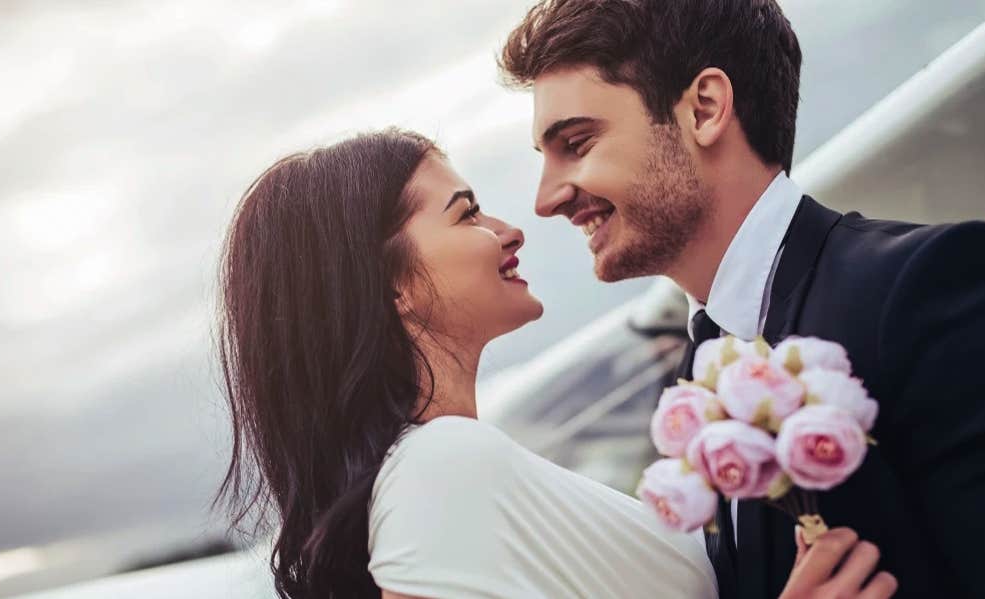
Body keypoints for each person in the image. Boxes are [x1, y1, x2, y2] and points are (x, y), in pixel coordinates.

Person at [497, 0, 985, 597]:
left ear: (705, 109)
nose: (545, 199)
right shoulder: (695, 384)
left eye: (575, 144)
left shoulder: (940, 290)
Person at [215, 129, 896, 598]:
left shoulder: (446, 467)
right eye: (467, 215)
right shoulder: (439, 464)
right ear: (389, 284)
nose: (509, 229)